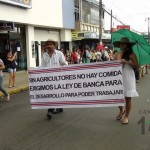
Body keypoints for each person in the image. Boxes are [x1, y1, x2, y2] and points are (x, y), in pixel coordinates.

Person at [113, 37, 139, 125]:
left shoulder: (131, 54)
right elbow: (112, 65)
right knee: (117, 97)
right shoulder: (116, 54)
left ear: (127, 45)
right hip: (118, 77)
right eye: (121, 43)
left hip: (128, 77)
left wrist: (127, 61)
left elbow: (136, 65)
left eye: (124, 44)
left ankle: (126, 116)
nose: (122, 45)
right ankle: (121, 110)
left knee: (128, 98)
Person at [41, 39, 68, 119]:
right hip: (48, 79)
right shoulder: (44, 55)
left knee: (56, 94)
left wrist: (64, 64)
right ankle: (55, 108)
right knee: (50, 95)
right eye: (47, 44)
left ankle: (51, 110)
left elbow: (65, 63)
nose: (49, 46)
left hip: (58, 79)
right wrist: (33, 70)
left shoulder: (59, 54)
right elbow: (42, 66)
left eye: (50, 44)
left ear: (54, 45)